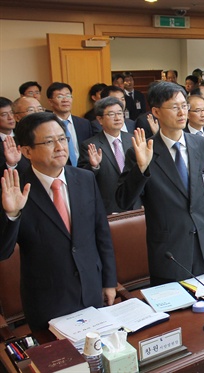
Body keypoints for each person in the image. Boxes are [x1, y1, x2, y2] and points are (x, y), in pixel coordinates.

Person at [0, 112, 117, 331]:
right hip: (47, 300)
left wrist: (109, 281)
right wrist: (12, 214)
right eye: (49, 141)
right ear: (26, 151)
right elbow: (3, 252)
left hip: (90, 288)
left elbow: (102, 234)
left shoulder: (85, 178)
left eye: (62, 139)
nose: (59, 147)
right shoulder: (15, 190)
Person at [116, 81, 204, 285]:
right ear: (156, 112)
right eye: (174, 107)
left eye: (184, 106)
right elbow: (124, 200)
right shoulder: (142, 151)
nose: (182, 112)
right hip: (169, 253)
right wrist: (141, 168)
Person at [78, 97, 141, 214]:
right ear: (100, 119)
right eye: (111, 114)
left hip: (136, 204)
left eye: (119, 113)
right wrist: (94, 166)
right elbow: (82, 179)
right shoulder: (90, 145)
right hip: (109, 207)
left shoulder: (133, 139)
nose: (117, 118)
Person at [46, 82, 94, 166]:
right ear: (50, 102)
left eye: (68, 96)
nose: (65, 100)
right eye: (60, 97)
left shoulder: (84, 123)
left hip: (84, 170)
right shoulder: (47, 126)